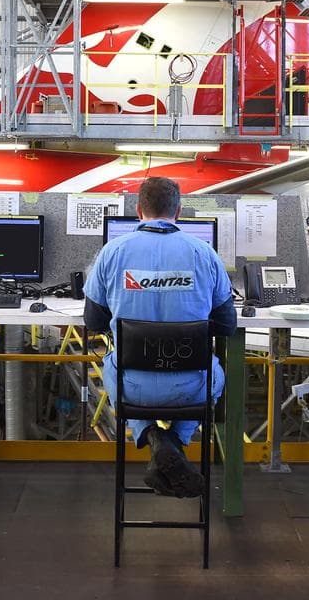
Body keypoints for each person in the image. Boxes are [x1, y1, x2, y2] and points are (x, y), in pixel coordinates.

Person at [83, 177, 236, 498]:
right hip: (192, 387)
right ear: (178, 211)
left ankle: (153, 436)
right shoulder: (204, 253)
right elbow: (226, 326)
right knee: (217, 373)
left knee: (110, 364)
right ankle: (176, 442)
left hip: (132, 389)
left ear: (138, 210)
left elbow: (94, 321)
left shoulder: (113, 252)